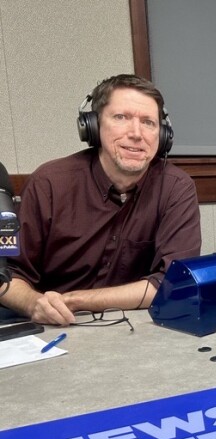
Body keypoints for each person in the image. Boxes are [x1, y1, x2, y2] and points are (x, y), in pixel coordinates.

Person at [0, 74, 200, 325]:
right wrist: (33, 304)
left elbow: (173, 281)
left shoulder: (175, 187)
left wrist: (76, 300)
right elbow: (7, 276)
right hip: (52, 327)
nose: (136, 133)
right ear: (92, 127)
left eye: (149, 122)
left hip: (135, 327)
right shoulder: (50, 183)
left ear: (162, 135)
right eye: (121, 118)